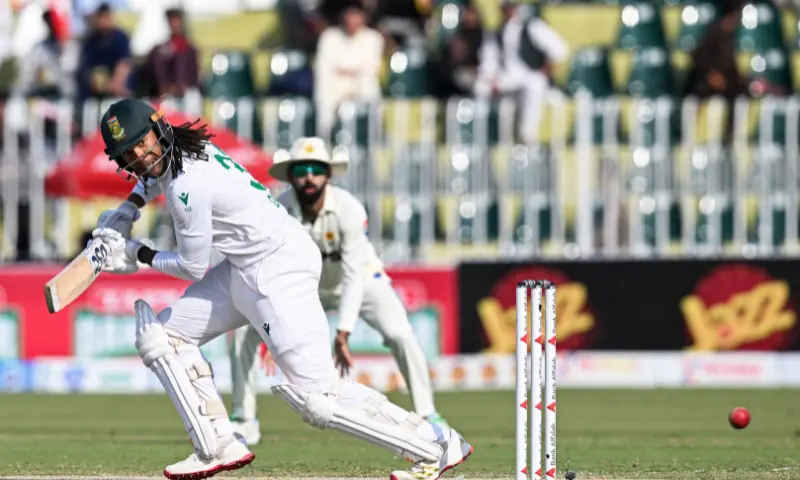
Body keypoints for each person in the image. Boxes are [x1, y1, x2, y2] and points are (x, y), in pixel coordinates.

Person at [91, 98, 473, 480]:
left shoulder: (186, 188)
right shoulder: (192, 149)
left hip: (277, 270)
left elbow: (191, 266)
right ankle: (217, 444)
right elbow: (154, 176)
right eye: (130, 153)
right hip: (244, 267)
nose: (142, 156)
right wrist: (128, 209)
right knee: (163, 337)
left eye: (144, 143)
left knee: (318, 399)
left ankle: (434, 445)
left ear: (160, 129)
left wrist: (136, 252)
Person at [228, 137, 448, 446]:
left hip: (360, 278)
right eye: (301, 170)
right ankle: (243, 418)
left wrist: (343, 332)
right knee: (243, 333)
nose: (308, 177)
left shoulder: (349, 208)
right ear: (290, 176)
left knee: (400, 333)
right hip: (305, 287)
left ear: (328, 175)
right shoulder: (278, 210)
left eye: (316, 169)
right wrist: (266, 324)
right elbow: (268, 267)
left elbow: (352, 275)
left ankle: (427, 415)